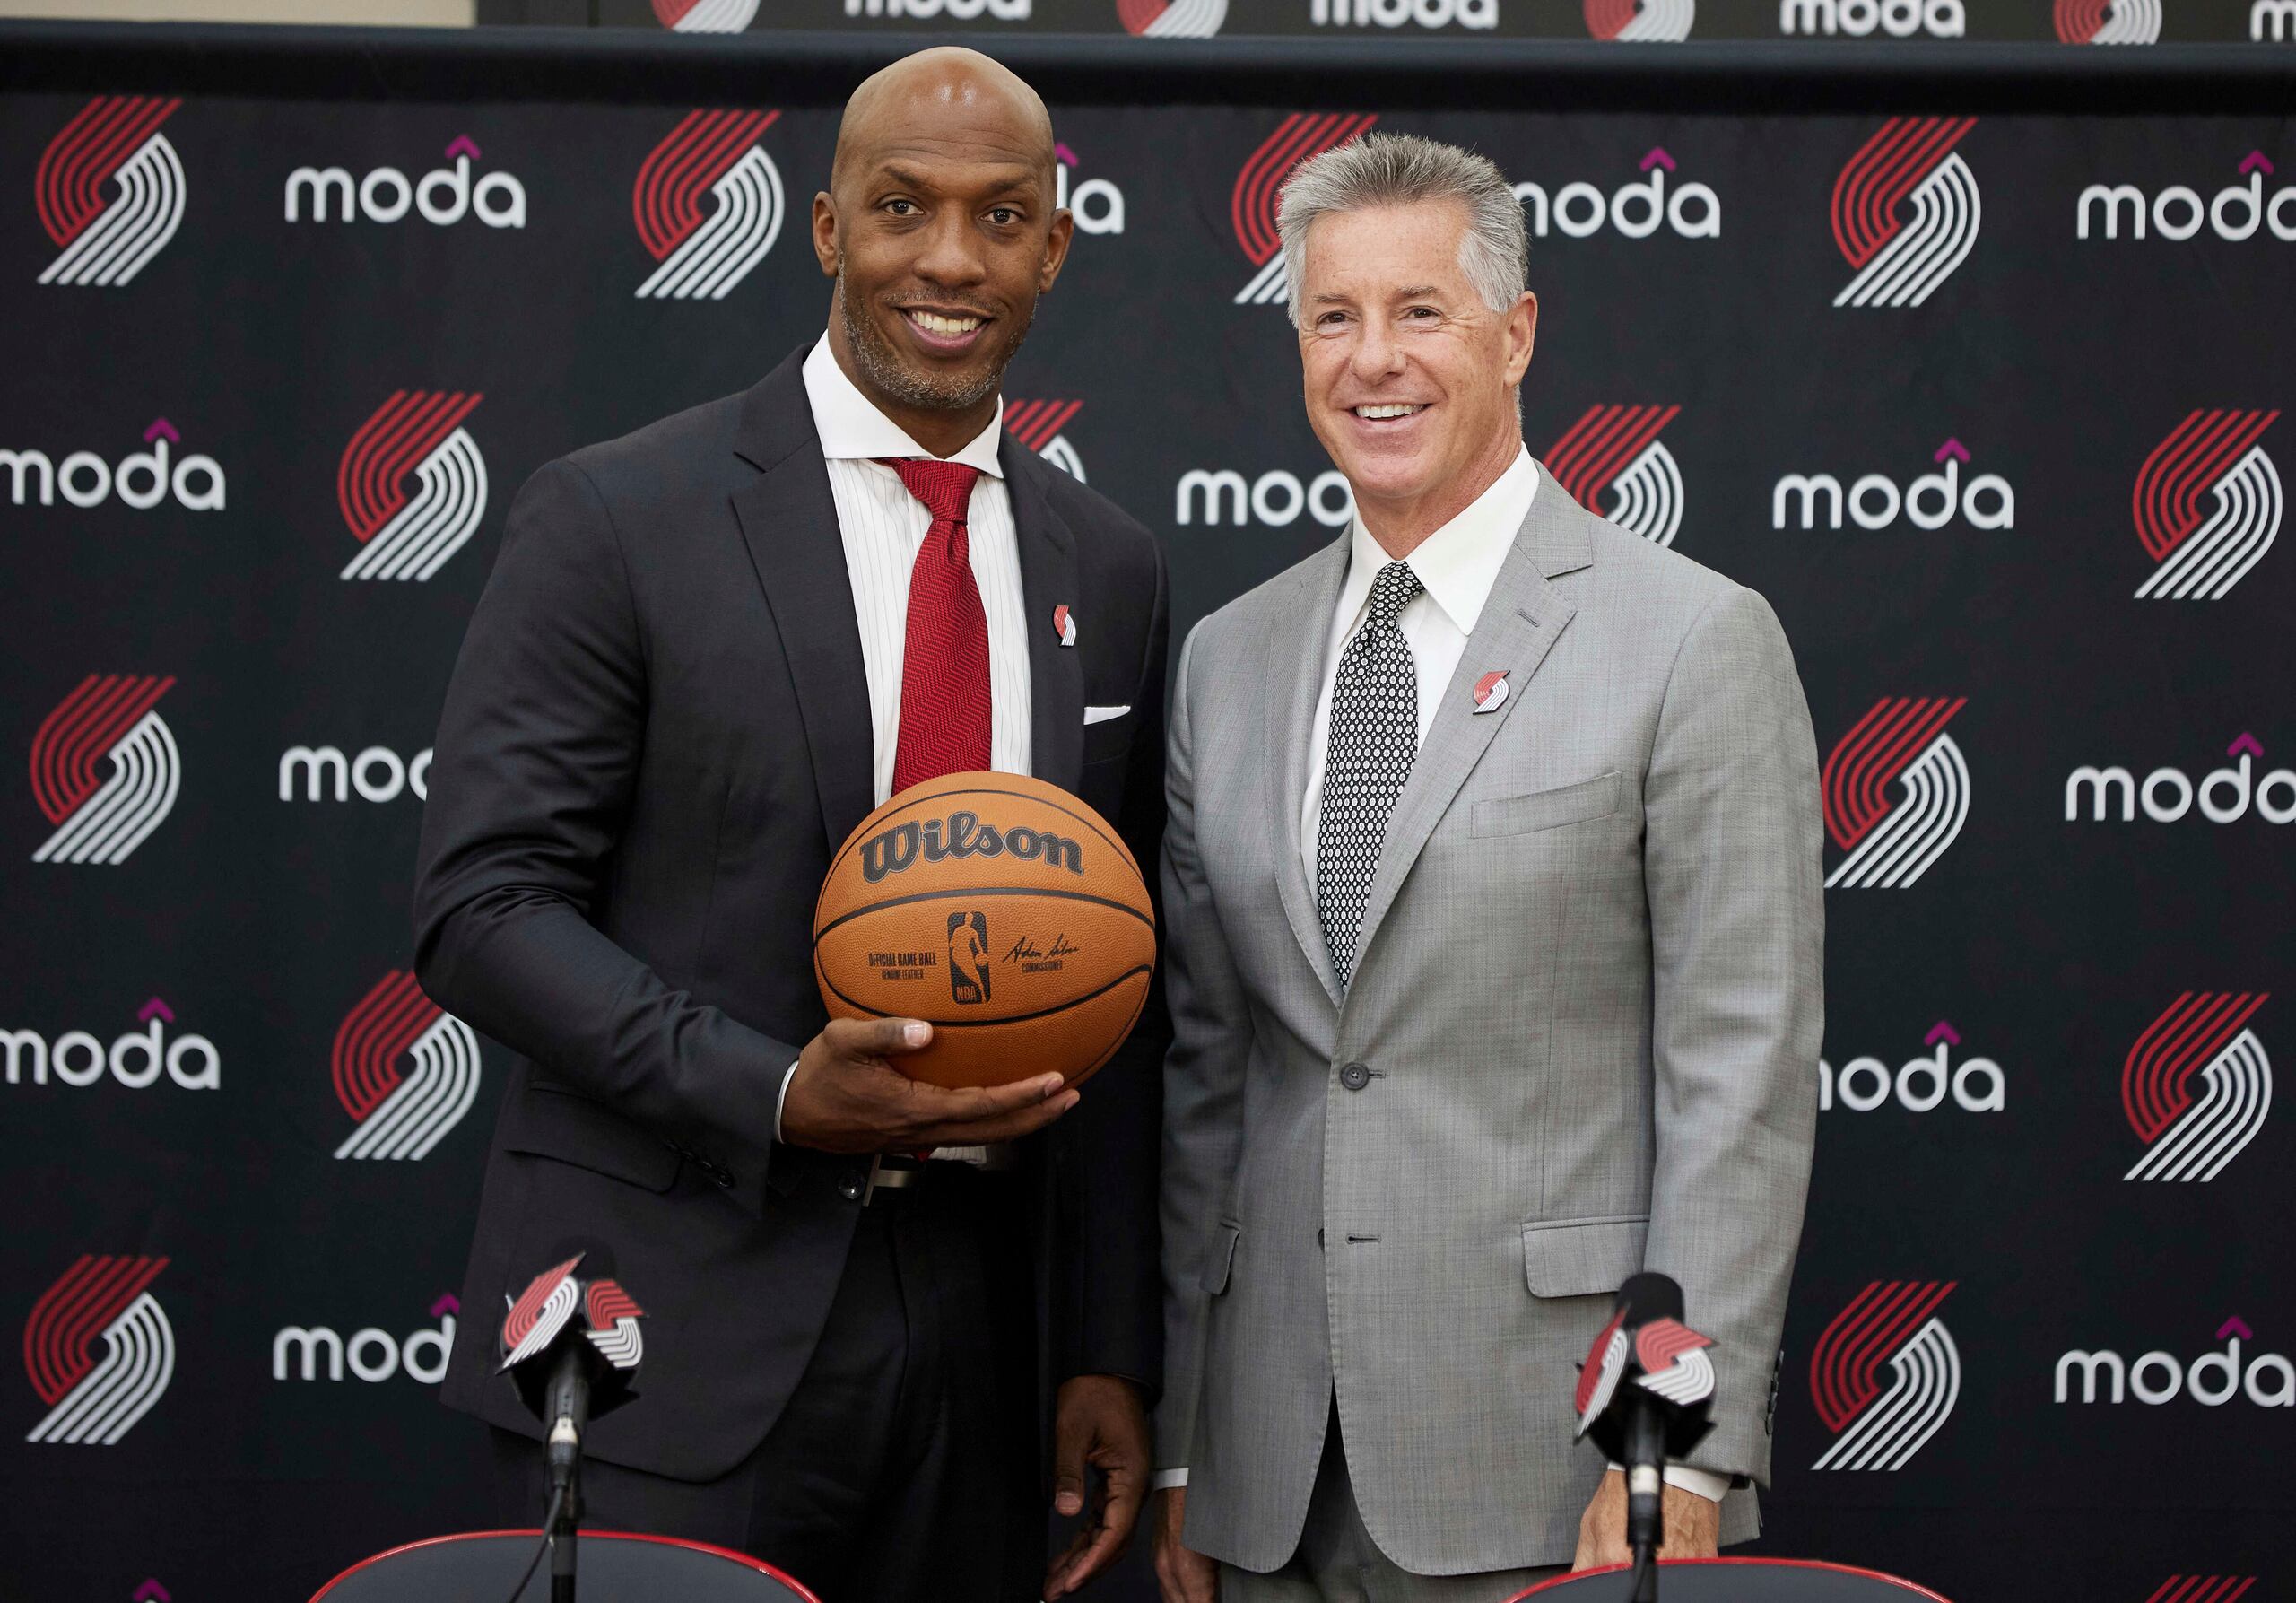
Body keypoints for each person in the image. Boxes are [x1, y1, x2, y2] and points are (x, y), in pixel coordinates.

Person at [415, 48, 1167, 1603]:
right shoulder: (618, 514)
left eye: (999, 215)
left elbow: (1121, 988)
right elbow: (482, 906)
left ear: (1054, 245)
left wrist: (1104, 1349)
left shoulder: (1113, 565)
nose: (949, 260)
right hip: (672, 1329)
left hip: (982, 1343)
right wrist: (769, 1092)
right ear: (825, 229)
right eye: (902, 207)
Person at [1152, 133, 1822, 1601]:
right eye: (1334, 317)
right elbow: (1214, 1078)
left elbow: (1740, 1075)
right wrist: (1189, 1443)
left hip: (1561, 1461)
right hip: (1267, 1484)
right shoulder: (1228, 660)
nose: (1371, 360)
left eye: (1421, 312)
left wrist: (1683, 1452)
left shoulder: (1694, 641)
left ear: (1515, 334)